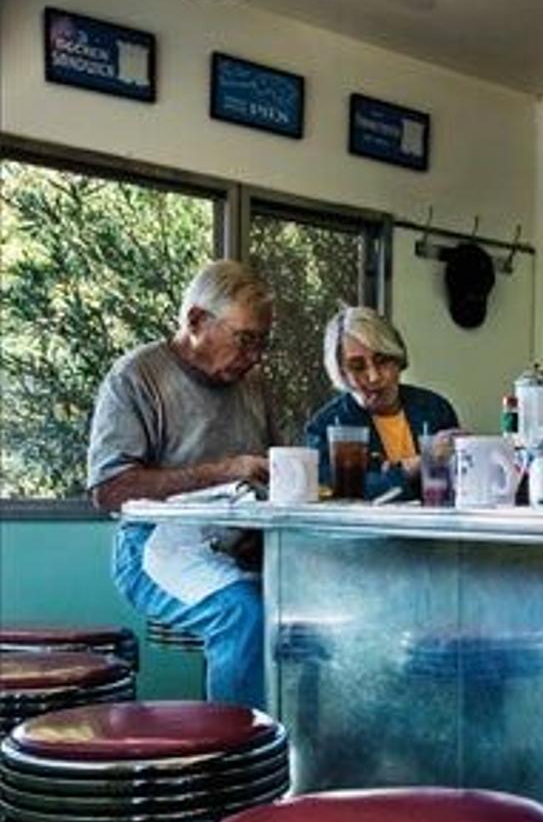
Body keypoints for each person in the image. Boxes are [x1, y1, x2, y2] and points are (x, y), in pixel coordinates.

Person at [87, 259, 274, 707]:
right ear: (195, 321)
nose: (254, 357)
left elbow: (269, 473)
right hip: (152, 548)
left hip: (238, 542)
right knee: (242, 614)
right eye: (245, 340)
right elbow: (109, 491)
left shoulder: (254, 385)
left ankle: (305, 755)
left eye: (262, 344)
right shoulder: (136, 377)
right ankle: (239, 765)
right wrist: (222, 471)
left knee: (318, 607)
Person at [304, 306, 458, 499]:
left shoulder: (435, 409)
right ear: (341, 374)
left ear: (398, 358)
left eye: (382, 360)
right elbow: (335, 494)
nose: (374, 377)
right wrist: (411, 467)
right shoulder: (324, 427)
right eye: (357, 367)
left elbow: (456, 487)